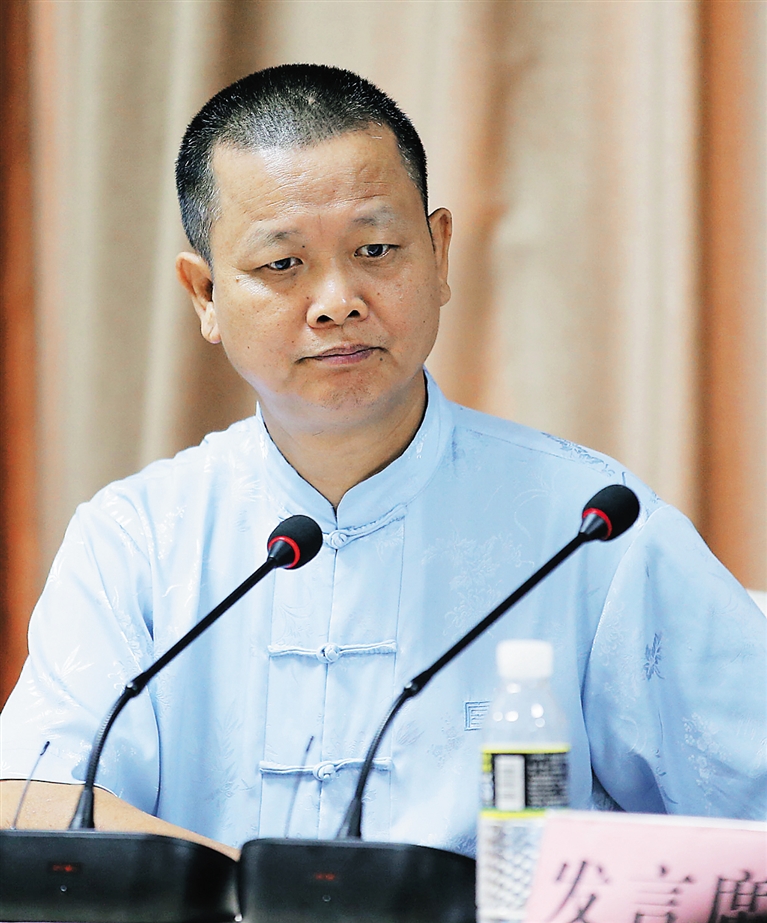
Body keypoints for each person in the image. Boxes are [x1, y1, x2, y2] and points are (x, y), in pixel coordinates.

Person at [1, 64, 765, 859]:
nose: (338, 300)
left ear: (438, 253)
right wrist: (259, 899)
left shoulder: (593, 529)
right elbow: (33, 798)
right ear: (205, 295)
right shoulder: (136, 537)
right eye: (282, 264)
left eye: (375, 248)